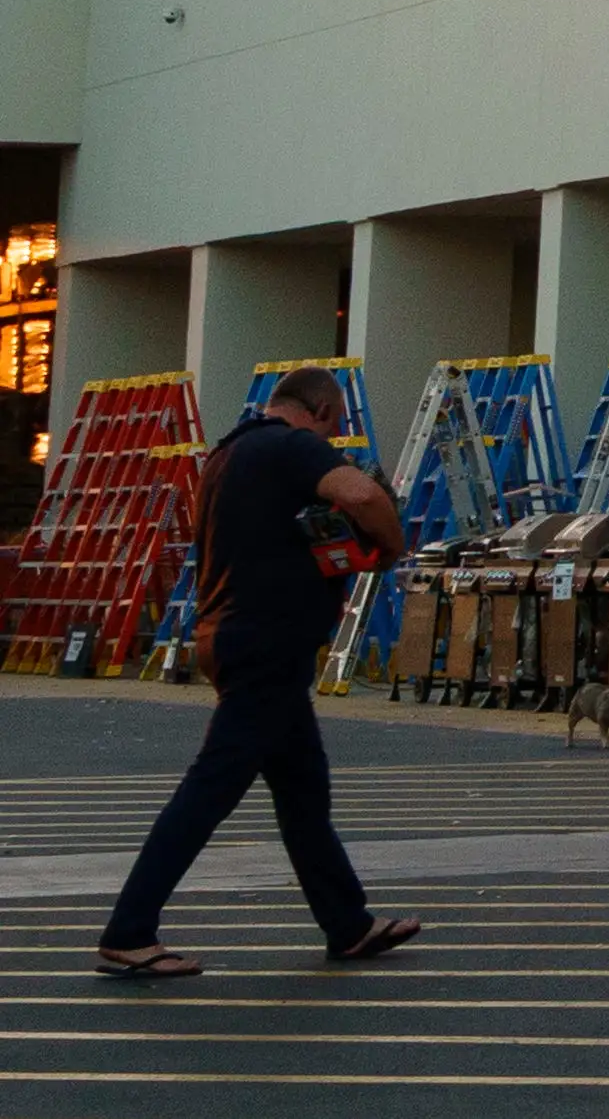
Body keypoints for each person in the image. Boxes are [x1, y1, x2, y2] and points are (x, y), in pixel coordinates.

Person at [96, 366, 420, 979]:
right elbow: (363, 495)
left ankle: (348, 925)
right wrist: (390, 546)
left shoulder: (227, 455)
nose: (335, 436)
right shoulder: (292, 445)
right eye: (337, 425)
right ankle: (128, 930)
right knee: (210, 788)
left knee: (303, 792)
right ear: (321, 411)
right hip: (265, 642)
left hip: (234, 633)